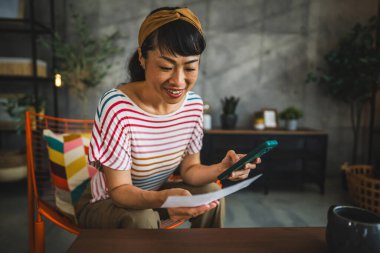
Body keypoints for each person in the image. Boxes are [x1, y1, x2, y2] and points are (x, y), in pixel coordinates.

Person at [75, 6, 261, 229]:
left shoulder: (193, 106)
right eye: (166, 66)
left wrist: (223, 169)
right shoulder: (117, 106)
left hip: (154, 195)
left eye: (190, 67)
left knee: (212, 194)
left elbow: (190, 171)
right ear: (142, 58)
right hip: (105, 203)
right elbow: (120, 191)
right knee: (141, 219)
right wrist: (166, 200)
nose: (179, 81)